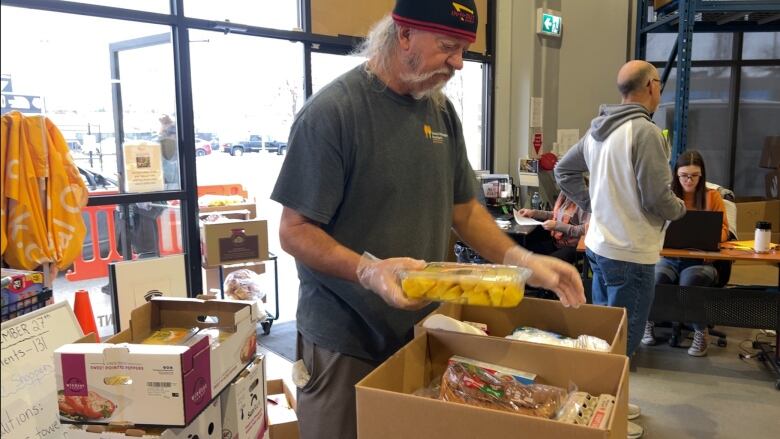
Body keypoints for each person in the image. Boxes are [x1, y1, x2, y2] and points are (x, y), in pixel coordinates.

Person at [270, 1, 585, 438]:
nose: (458, 62)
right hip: (345, 341)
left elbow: (465, 210)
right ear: (403, 35)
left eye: (464, 49)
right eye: (449, 46)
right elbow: (294, 230)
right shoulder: (334, 113)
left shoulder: (440, 113)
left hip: (419, 333)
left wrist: (523, 261)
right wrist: (369, 271)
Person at [555, 60, 686, 439]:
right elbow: (659, 197)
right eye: (659, 85)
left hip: (599, 246)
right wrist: (680, 209)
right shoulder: (644, 132)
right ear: (649, 86)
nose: (659, 92)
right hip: (630, 253)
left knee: (605, 336)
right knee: (623, 342)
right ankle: (606, 416)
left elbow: (562, 170)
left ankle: (611, 402)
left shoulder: (599, 129)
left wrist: (593, 204)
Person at [642, 150, 730, 357]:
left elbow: (725, 231)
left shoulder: (712, 197)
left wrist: (712, 236)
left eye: (694, 175)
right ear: (676, 175)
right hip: (669, 259)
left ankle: (700, 332)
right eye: (684, 175)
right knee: (655, 277)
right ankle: (648, 322)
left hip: (701, 261)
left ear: (702, 175)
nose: (689, 180)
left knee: (690, 281)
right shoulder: (667, 198)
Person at [516, 190, 590, 263]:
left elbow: (585, 229)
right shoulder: (566, 195)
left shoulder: (584, 201)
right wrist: (533, 213)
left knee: (542, 264)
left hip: (573, 247)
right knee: (525, 253)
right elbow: (556, 214)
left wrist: (556, 226)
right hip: (557, 242)